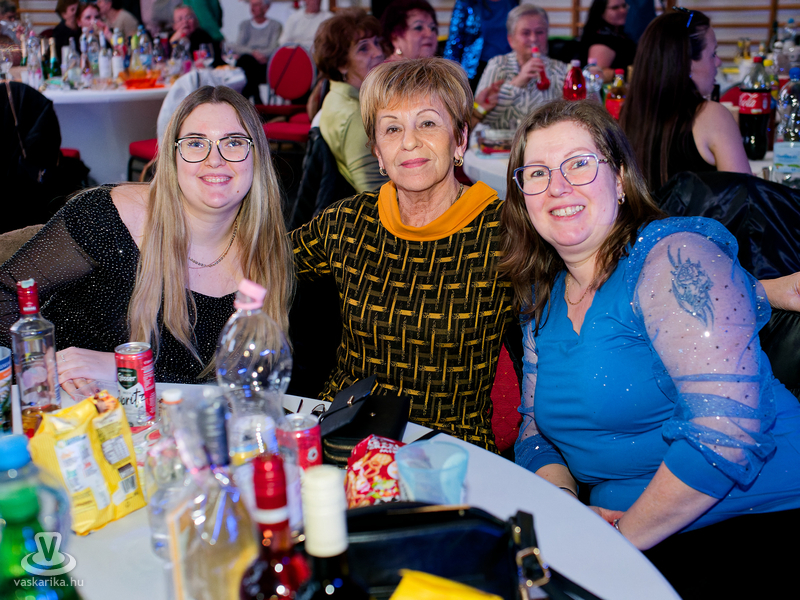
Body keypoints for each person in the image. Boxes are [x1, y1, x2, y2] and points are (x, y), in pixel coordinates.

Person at [500, 99, 800, 598]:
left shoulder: (673, 259)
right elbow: (535, 431)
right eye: (537, 173)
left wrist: (615, 541)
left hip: (752, 519)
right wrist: (564, 507)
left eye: (579, 164)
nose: (558, 186)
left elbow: (726, 431)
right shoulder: (541, 297)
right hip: (627, 529)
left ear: (619, 179)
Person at [0, 86, 293, 394]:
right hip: (64, 407)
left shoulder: (267, 256)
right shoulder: (107, 217)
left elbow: (245, 387)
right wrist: (45, 364)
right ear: (172, 157)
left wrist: (129, 367)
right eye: (195, 143)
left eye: (233, 142)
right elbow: (4, 293)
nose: (215, 159)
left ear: (257, 156)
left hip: (172, 419)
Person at [291, 58, 517, 451]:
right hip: (345, 438)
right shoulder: (348, 222)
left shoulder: (505, 233)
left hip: (448, 451)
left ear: (460, 139)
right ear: (378, 153)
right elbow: (262, 260)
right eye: (392, 128)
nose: (409, 141)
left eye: (427, 123)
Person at [620, 10, 750, 192]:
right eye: (713, 54)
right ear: (687, 63)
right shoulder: (711, 115)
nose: (718, 62)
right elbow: (747, 198)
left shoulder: (629, 115)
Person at [313, 8, 387, 193]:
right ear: (342, 64)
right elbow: (374, 194)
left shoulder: (335, 96)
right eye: (364, 48)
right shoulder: (357, 115)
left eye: (376, 43)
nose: (378, 52)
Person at [474, 4, 569, 131]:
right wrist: (517, 82)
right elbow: (480, 117)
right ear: (511, 40)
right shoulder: (497, 65)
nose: (533, 38)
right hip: (498, 141)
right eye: (526, 33)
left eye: (539, 32)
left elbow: (569, 117)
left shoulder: (561, 70)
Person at [443, 0, 518, 85]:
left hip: (507, 67)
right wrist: (448, 76)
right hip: (475, 69)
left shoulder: (512, 3)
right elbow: (454, 41)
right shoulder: (465, 2)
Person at [230, 0, 282, 103]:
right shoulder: (245, 25)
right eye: (251, 4)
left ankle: (244, 100)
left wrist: (260, 55)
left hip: (264, 64)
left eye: (256, 4)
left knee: (247, 63)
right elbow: (238, 46)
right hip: (248, 61)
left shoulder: (275, 25)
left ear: (266, 7)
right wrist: (253, 53)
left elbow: (273, 48)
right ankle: (257, 98)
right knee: (247, 60)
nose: (252, 7)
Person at [580, 0, 636, 82]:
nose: (623, 10)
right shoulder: (601, 40)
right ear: (601, 11)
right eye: (615, 7)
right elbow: (597, 75)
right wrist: (630, 74)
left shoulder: (617, 33)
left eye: (624, 6)